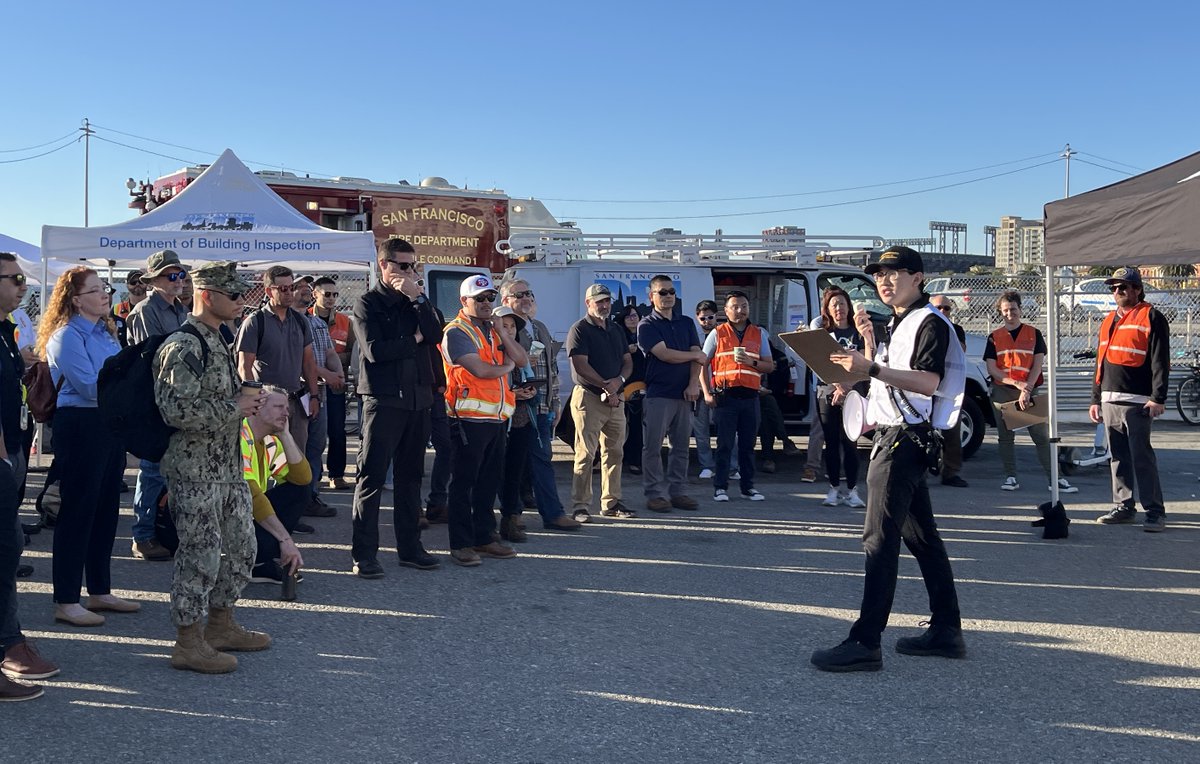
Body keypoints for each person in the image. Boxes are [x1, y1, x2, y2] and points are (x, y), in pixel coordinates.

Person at [811, 246, 966, 673]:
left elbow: (928, 381)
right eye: (879, 274)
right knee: (922, 540)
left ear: (918, 278)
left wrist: (871, 368)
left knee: (878, 540)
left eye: (894, 272)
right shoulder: (899, 322)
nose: (883, 280)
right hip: (900, 436)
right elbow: (887, 377)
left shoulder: (928, 321)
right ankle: (946, 630)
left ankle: (865, 641)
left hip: (903, 440)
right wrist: (861, 361)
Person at [154, 261, 270, 674]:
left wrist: (244, 399)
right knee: (200, 556)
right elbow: (175, 410)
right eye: (234, 295)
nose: (242, 302)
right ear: (208, 295)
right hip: (194, 471)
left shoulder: (218, 339)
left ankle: (220, 625)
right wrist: (233, 407)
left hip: (227, 468)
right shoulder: (184, 346)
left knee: (242, 550)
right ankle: (188, 641)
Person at [38, 267, 135, 627]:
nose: (105, 295)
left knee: (107, 509)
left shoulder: (108, 334)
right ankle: (66, 598)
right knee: (78, 510)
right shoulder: (65, 336)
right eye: (96, 290)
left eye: (105, 288)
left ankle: (99, 589)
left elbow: (119, 378)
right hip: (81, 425)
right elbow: (90, 386)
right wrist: (127, 387)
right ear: (76, 299)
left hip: (108, 424)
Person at [350, 239, 443, 578]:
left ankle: (410, 547)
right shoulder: (367, 303)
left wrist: (417, 298)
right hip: (384, 399)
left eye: (413, 266)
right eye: (403, 266)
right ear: (384, 265)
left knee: (410, 478)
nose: (410, 273)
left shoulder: (417, 300)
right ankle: (364, 553)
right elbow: (376, 350)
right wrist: (414, 340)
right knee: (372, 477)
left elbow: (435, 333)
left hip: (418, 399)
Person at [0, 252, 58, 701]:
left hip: (14, 449)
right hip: (3, 456)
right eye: (15, 278)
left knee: (7, 551)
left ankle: (9, 641)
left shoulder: (5, 331)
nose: (23, 285)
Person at [441, 274, 526, 566]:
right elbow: (481, 371)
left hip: (496, 419)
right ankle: (461, 544)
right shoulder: (456, 331)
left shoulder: (492, 330)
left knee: (489, 482)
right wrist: (508, 365)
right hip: (468, 419)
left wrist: (503, 334)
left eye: (491, 297)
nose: (487, 303)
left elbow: (522, 359)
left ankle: (485, 537)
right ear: (464, 301)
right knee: (464, 483)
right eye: (480, 299)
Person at [1090, 267, 1170, 532]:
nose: (1117, 292)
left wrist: (1158, 397)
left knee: (1141, 457)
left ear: (1137, 289)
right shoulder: (1109, 320)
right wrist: (1095, 398)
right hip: (1110, 399)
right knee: (1118, 457)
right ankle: (1124, 506)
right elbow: (1100, 362)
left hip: (1138, 401)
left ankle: (1155, 511)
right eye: (1114, 288)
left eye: (1123, 287)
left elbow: (1160, 361)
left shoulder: (1152, 317)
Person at [499, 280, 582, 534]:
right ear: (505, 302)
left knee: (542, 459)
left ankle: (552, 514)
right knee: (511, 465)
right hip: (515, 408)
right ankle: (513, 516)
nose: (527, 298)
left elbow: (552, 369)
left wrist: (555, 401)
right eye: (520, 294)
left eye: (530, 294)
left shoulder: (541, 328)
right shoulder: (505, 329)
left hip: (542, 407)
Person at [127, 250, 190, 562]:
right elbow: (153, 357)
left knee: (171, 469)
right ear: (153, 281)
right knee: (152, 470)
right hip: (155, 399)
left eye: (180, 275)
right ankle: (143, 535)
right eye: (171, 276)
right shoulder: (144, 311)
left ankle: (163, 530)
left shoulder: (180, 310)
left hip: (176, 397)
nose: (178, 281)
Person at [985, 291, 1076, 495]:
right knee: (1005, 436)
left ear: (1020, 309)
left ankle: (1055, 478)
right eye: (1006, 310)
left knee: (1041, 436)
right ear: (1000, 312)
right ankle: (1010, 476)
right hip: (1003, 391)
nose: (1010, 314)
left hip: (1029, 390)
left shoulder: (1034, 333)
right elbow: (992, 369)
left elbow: (1037, 364)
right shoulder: (994, 337)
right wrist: (1016, 383)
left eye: (1013, 309)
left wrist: (1026, 388)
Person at [566, 284, 635, 521]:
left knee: (615, 451)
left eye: (606, 301)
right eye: (599, 301)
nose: (604, 305)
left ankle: (611, 502)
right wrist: (608, 385)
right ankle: (580, 506)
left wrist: (619, 381)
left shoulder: (615, 329)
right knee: (586, 453)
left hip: (616, 399)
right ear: (588, 303)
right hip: (589, 397)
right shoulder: (580, 330)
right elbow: (580, 366)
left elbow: (627, 361)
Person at [637, 276, 705, 513]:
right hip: (659, 394)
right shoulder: (646, 325)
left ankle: (678, 492)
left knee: (681, 447)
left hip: (684, 395)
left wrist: (693, 384)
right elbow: (665, 355)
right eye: (662, 292)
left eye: (671, 292)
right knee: (653, 447)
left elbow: (699, 354)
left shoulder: (686, 323)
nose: (667, 296)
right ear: (651, 296)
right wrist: (694, 356)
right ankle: (655, 494)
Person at [700, 291, 775, 502]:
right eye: (735, 306)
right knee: (724, 444)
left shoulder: (758, 333)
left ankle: (748, 487)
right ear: (726, 310)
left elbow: (769, 366)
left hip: (750, 396)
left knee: (748, 445)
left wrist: (751, 362)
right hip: (726, 396)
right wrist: (706, 392)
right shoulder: (717, 333)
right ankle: (720, 487)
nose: (740, 310)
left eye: (744, 306)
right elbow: (701, 364)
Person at [236, 265, 320, 453]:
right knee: (266, 459)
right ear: (269, 291)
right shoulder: (255, 322)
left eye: (292, 287)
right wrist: (254, 403)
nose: (289, 293)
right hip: (265, 404)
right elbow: (244, 367)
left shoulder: (301, 321)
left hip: (295, 402)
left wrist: (314, 396)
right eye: (283, 289)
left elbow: (308, 363)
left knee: (296, 459)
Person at [241, 387, 307, 584]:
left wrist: (286, 436)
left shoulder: (270, 439)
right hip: (225, 520)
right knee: (261, 510)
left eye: (287, 407)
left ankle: (260, 561)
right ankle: (251, 560)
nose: (286, 413)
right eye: (279, 407)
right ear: (257, 409)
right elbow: (252, 496)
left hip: (245, 513)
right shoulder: (239, 436)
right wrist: (285, 540)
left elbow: (303, 479)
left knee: (300, 492)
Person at [810, 286, 869, 508]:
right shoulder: (823, 334)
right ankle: (833, 488)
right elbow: (819, 363)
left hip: (853, 392)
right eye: (834, 305)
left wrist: (846, 387)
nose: (839, 309)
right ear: (827, 309)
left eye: (842, 304)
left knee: (851, 442)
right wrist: (837, 385)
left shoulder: (858, 332)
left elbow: (865, 364)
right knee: (831, 442)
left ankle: (853, 490)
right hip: (827, 392)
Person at [293, 276, 343, 519]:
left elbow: (329, 352)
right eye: (299, 287)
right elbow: (301, 362)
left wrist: (339, 373)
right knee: (295, 449)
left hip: (318, 394)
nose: (305, 291)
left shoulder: (317, 324)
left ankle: (309, 496)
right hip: (297, 395)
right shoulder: (287, 322)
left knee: (315, 446)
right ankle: (291, 500)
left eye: (306, 287)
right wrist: (327, 375)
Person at [311, 277, 354, 491]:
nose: (331, 299)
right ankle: (315, 474)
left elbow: (353, 352)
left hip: (336, 383)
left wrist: (336, 363)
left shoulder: (346, 322)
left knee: (337, 430)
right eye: (326, 294)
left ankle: (336, 474)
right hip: (312, 384)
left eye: (334, 294)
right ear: (315, 294)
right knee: (314, 431)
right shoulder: (304, 319)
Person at [928, 296, 969, 488]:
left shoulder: (956, 330)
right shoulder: (925, 327)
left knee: (952, 430)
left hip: (949, 386)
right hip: (926, 384)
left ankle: (950, 472)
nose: (943, 311)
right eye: (939, 308)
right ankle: (922, 471)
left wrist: (947, 331)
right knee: (922, 430)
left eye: (947, 308)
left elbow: (960, 350)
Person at [614, 303, 647, 475]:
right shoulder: (619, 335)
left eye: (635, 315)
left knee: (636, 424)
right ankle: (620, 457)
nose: (632, 319)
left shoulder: (645, 334)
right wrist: (626, 350)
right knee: (619, 424)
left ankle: (635, 459)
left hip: (641, 385)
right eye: (628, 316)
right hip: (622, 384)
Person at [692, 299, 720, 479]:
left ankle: (732, 467)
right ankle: (706, 465)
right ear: (697, 318)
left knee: (727, 431)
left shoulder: (723, 335)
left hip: (720, 389)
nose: (707, 321)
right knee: (701, 432)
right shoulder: (693, 337)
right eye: (703, 318)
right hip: (699, 391)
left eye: (710, 317)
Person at [112, 269, 146, 348]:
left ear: (146, 284)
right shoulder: (116, 309)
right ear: (127, 285)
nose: (137, 284)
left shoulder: (153, 307)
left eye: (141, 281)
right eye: (133, 282)